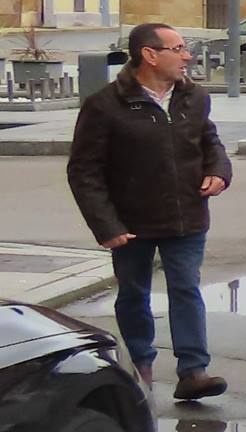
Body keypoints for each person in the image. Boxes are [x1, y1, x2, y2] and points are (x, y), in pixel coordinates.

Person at [66, 21, 231, 400]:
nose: (187, 56)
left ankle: (193, 371)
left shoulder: (194, 97)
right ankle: (141, 367)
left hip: (187, 216)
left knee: (186, 288)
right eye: (178, 49)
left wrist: (219, 171)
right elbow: (84, 170)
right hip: (131, 222)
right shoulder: (105, 106)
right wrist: (106, 224)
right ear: (150, 55)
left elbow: (210, 142)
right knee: (133, 294)